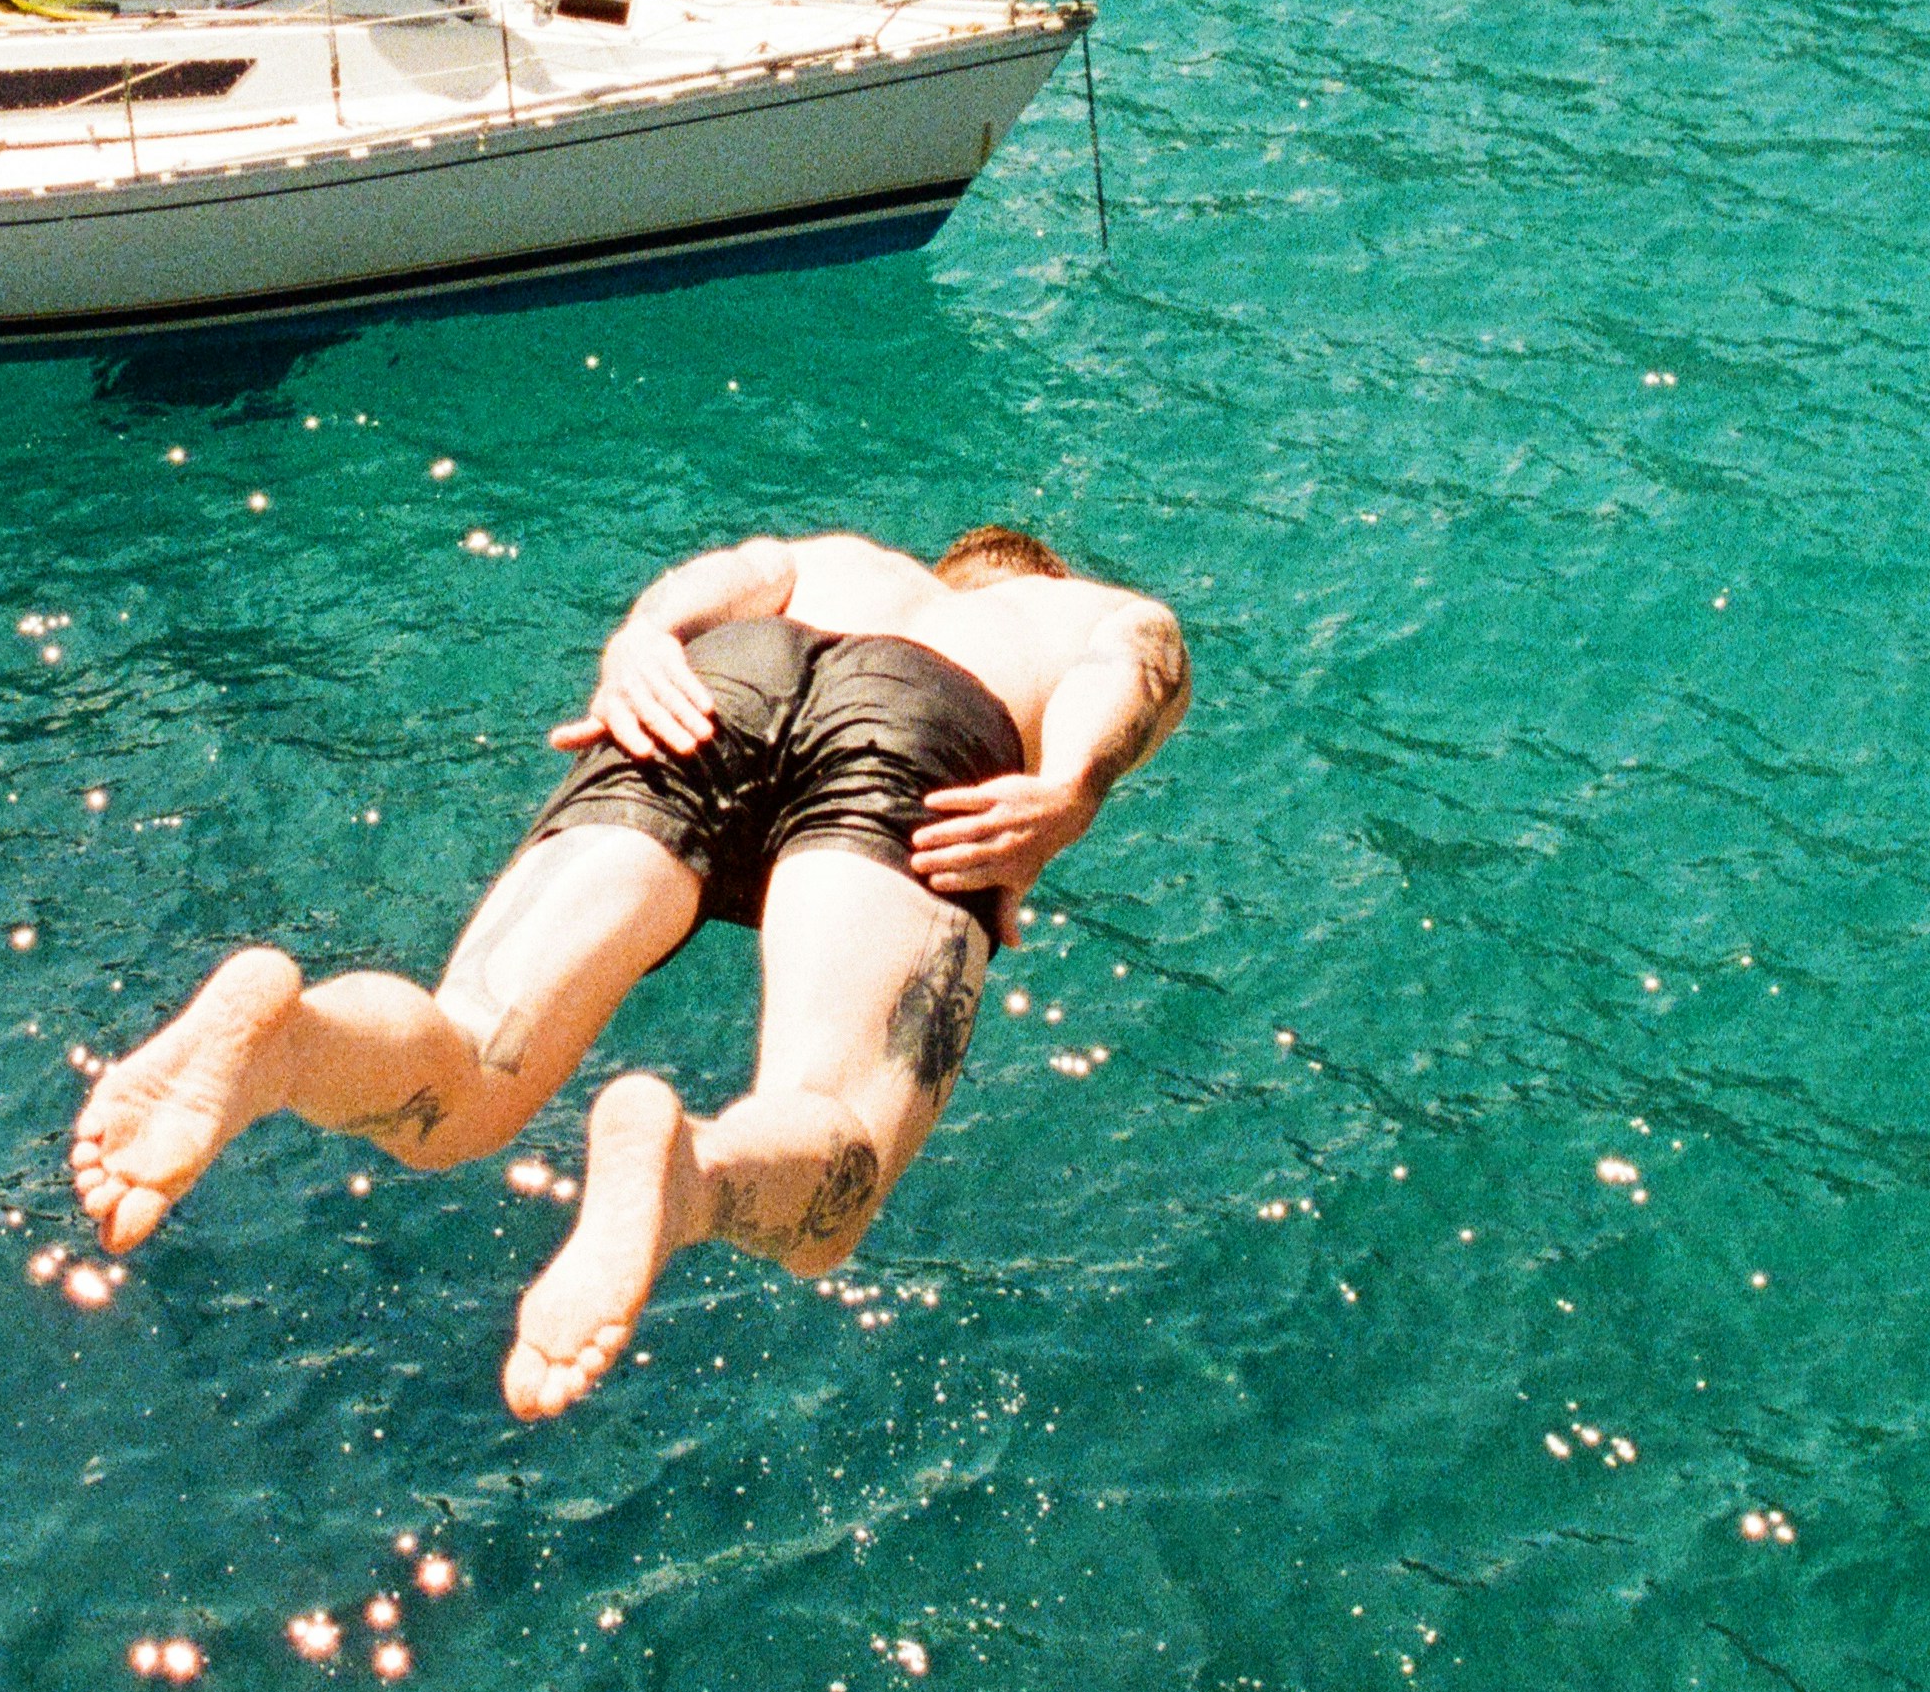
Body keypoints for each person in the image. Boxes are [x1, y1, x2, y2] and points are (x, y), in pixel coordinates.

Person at [69, 517, 1191, 1419]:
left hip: (715, 687)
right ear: (1036, 577)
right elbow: (1137, 664)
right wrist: (1072, 785)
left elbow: (729, 573)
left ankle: (289, 1041)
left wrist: (641, 639)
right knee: (832, 1167)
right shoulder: (1072, 609)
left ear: (945, 565)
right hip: (920, 726)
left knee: (466, 1070)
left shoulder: (845, 560)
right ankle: (688, 1173)